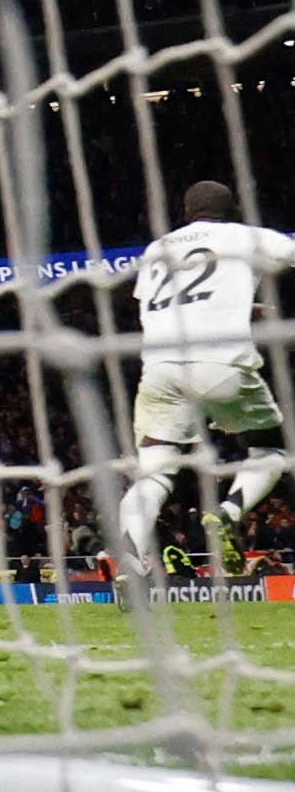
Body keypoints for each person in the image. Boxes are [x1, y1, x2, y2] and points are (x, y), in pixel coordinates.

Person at [109, 181, 295, 588]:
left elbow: (178, 302)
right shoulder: (243, 236)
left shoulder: (156, 250)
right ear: (232, 209)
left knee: (154, 474)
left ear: (187, 212)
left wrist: (241, 308)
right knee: (270, 448)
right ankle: (227, 513)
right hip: (221, 363)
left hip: (160, 368)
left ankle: (130, 559)